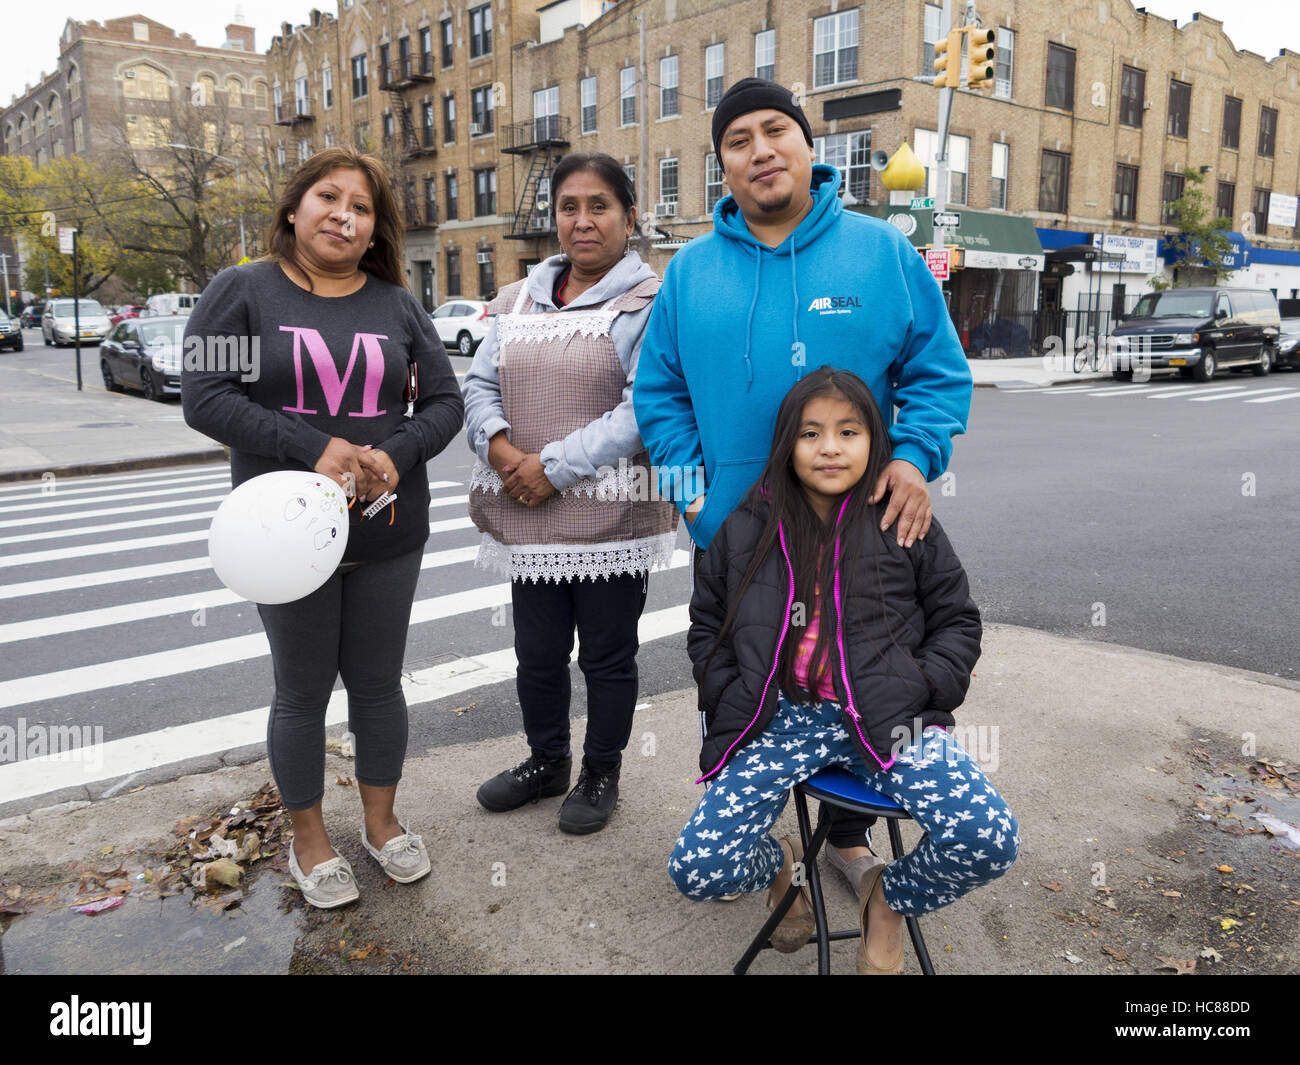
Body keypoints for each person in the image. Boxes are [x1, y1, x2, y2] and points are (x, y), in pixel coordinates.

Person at [634, 77, 974, 895]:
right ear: (723, 165)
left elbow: (936, 372)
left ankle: (847, 839)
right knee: (752, 680)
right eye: (739, 139)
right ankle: (766, 851)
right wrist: (695, 495)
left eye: (775, 130)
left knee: (863, 669)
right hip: (742, 540)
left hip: (866, 536)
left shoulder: (881, 253)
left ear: (808, 145)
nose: (761, 149)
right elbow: (659, 392)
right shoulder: (689, 273)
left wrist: (913, 457)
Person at [182, 147, 465, 908]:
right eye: (329, 197)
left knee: (377, 684)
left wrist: (395, 452)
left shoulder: (396, 304)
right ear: (294, 209)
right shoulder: (242, 291)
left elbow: (444, 404)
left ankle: (382, 823)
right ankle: (310, 838)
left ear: (377, 230)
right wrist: (316, 446)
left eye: (363, 206)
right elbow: (203, 396)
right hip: (281, 535)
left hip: (386, 528)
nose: (345, 214)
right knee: (302, 690)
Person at [669, 367, 1018, 972]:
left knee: (988, 838)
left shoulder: (902, 519)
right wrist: (729, 689)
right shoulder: (746, 527)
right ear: (787, 443)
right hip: (780, 720)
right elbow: (708, 629)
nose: (829, 447)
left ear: (873, 441)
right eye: (811, 433)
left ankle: (888, 897)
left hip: (888, 719)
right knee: (701, 870)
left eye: (848, 431)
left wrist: (921, 686)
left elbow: (958, 621)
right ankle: (780, 864)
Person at [463, 152, 677, 835]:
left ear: (629, 216)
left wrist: (550, 466)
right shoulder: (517, 298)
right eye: (568, 207)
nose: (582, 221)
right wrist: (500, 449)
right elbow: (478, 385)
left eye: (599, 206)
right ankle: (547, 758)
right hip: (527, 510)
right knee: (537, 651)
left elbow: (643, 407)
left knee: (608, 655)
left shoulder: (650, 301)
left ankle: (600, 770)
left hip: (612, 515)